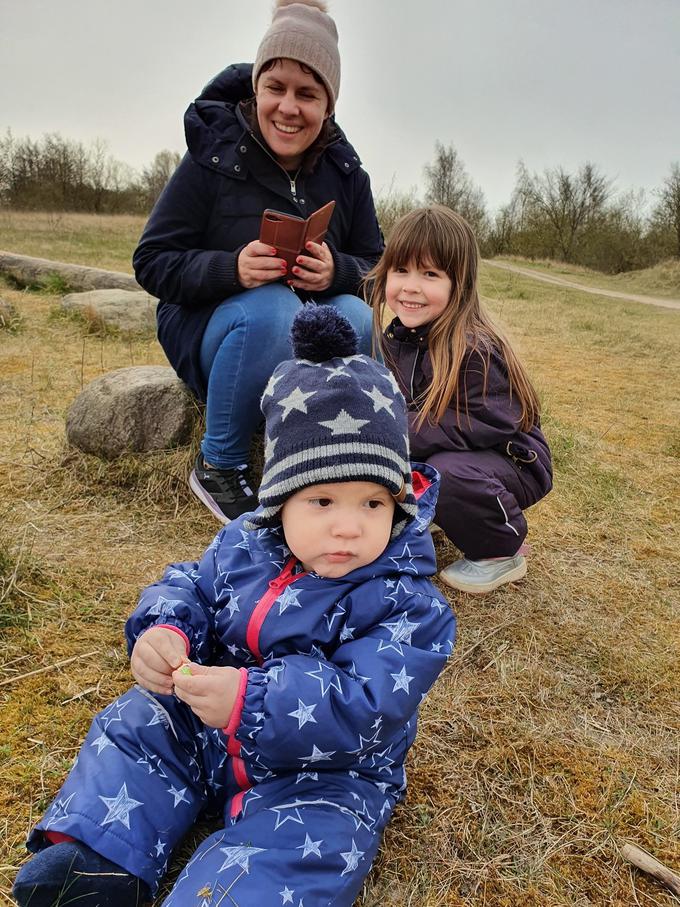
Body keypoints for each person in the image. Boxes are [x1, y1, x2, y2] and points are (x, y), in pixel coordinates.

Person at [13, 305, 456, 907]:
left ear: (397, 503)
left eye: (373, 503)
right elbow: (191, 585)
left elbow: (366, 702)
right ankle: (97, 861)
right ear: (278, 499)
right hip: (204, 728)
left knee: (313, 841)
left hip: (323, 771)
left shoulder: (409, 603)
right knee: (139, 725)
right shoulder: (246, 541)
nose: (349, 527)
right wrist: (164, 628)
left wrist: (250, 700)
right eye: (322, 501)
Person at [132, 0, 384, 523]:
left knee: (357, 316)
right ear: (256, 89)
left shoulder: (347, 172)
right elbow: (153, 261)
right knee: (271, 307)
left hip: (305, 349)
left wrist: (337, 271)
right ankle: (220, 464)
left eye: (307, 94)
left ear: (328, 106)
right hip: (219, 335)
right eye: (276, 88)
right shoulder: (213, 155)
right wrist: (231, 270)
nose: (289, 107)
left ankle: (328, 452)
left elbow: (378, 267)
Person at [369, 206, 553, 594]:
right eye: (400, 270)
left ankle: (502, 550)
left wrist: (403, 431)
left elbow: (489, 421)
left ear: (460, 284)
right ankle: (442, 508)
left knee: (446, 473)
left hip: (512, 460)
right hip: (453, 454)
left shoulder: (475, 349)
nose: (410, 286)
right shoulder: (397, 339)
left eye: (430, 274)